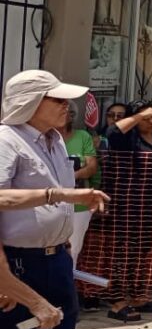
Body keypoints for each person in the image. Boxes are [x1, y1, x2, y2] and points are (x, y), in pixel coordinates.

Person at [0, 70, 112, 329]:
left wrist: (62, 246)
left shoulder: (55, 141)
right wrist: (59, 194)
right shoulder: (6, 140)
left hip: (55, 262)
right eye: (57, 100)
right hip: (14, 266)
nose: (68, 107)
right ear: (29, 103)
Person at [105, 101, 152, 322]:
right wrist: (137, 118)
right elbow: (112, 133)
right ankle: (117, 302)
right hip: (127, 207)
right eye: (146, 118)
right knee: (123, 253)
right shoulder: (126, 140)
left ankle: (137, 297)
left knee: (141, 254)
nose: (151, 122)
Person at [62, 101, 98, 264]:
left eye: (69, 112)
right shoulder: (45, 137)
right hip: (47, 204)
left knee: (73, 251)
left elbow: (92, 167)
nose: (65, 116)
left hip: (79, 206)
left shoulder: (83, 136)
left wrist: (71, 176)